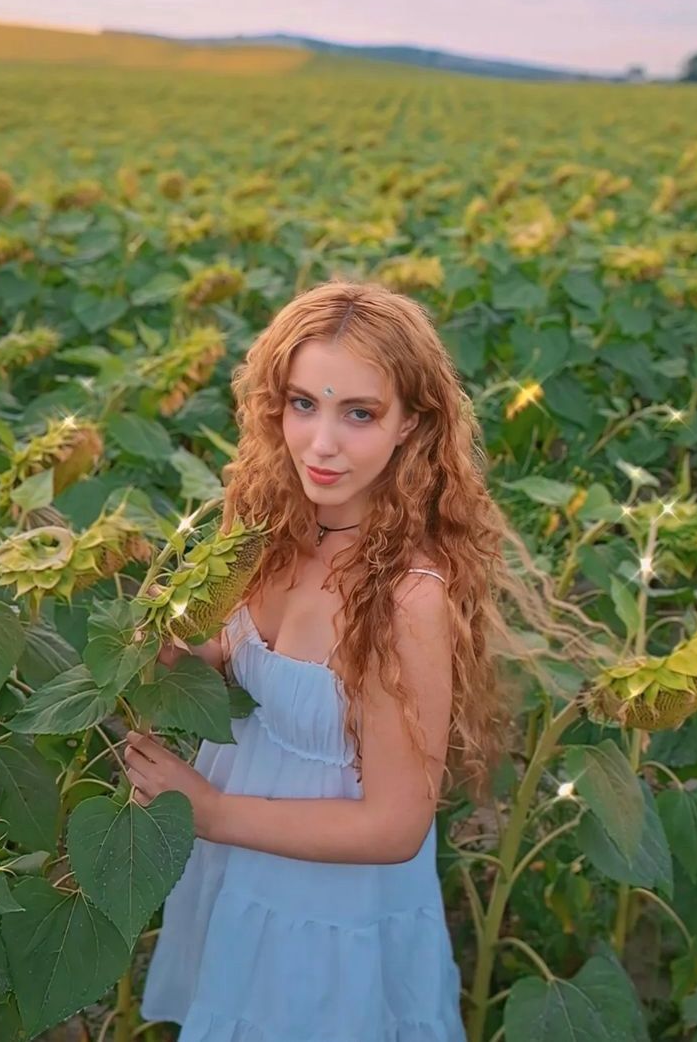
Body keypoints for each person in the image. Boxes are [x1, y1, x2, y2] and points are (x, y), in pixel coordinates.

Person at [123, 278, 593, 1041]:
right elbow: (222, 654)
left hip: (323, 908)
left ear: (413, 424)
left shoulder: (407, 599)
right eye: (304, 403)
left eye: (360, 414)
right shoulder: (270, 527)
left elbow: (393, 827)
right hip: (239, 874)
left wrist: (206, 811)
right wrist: (169, 641)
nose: (322, 443)